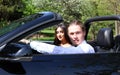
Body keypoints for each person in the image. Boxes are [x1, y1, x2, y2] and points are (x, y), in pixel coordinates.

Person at [29, 20, 95, 54]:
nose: (75, 36)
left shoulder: (86, 48)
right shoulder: (76, 46)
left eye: (78, 33)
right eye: (71, 34)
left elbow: (61, 51)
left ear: (84, 33)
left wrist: (32, 43)